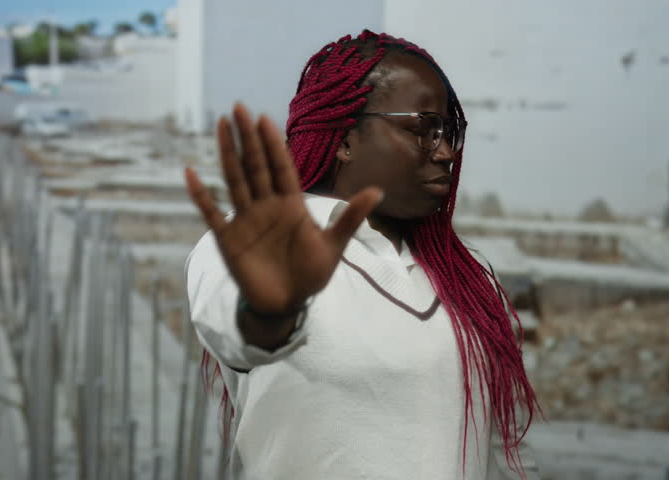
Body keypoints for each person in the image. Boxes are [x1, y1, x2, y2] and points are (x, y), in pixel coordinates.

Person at [184, 30, 542, 479]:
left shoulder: (469, 277)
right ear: (345, 140)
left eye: (450, 130)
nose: (447, 152)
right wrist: (270, 313)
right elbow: (234, 332)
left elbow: (506, 453)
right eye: (423, 129)